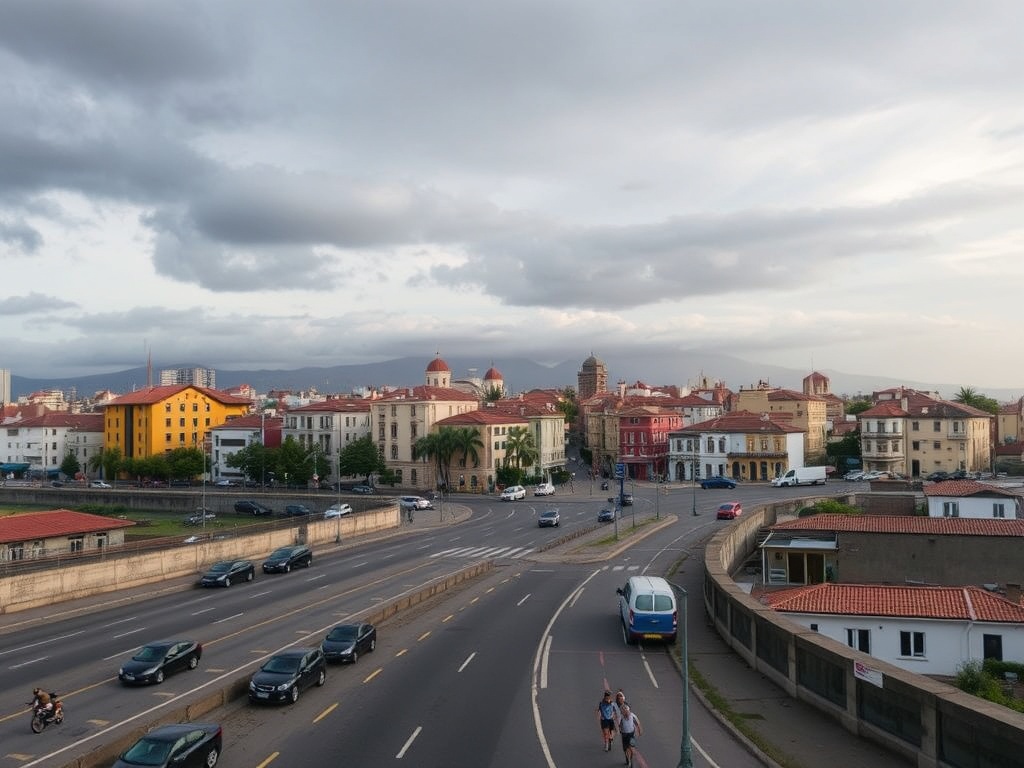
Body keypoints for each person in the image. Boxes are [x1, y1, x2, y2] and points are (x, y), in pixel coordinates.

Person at [618, 703, 642, 768]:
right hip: (624, 735)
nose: (626, 713)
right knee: (626, 749)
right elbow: (618, 725)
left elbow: (638, 723)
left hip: (631, 734)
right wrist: (618, 729)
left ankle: (630, 760)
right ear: (622, 712)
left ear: (629, 711)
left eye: (627, 711)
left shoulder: (633, 716)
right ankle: (628, 759)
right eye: (624, 711)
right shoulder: (621, 717)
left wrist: (640, 731)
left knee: (631, 748)